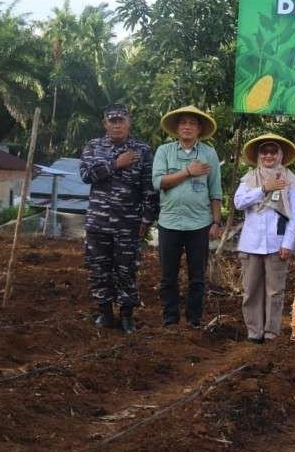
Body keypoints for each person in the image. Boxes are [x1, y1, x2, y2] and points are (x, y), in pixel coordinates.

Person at [79, 104, 158, 333]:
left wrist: (146, 220)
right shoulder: (93, 147)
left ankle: (126, 316)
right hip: (98, 222)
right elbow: (86, 175)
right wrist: (116, 164)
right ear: (105, 124)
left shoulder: (142, 150)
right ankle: (104, 313)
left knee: (127, 270)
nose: (117, 125)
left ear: (128, 122)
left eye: (120, 120)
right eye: (112, 121)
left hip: (128, 223)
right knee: (98, 268)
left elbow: (149, 188)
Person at [152, 106, 223, 328]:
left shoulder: (209, 154)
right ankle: (170, 319)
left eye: (192, 123)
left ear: (199, 129)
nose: (187, 127)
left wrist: (216, 222)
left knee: (197, 277)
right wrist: (188, 172)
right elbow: (158, 183)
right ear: (176, 128)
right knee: (168, 275)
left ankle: (194, 320)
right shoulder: (164, 151)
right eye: (183, 122)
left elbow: (215, 191)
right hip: (169, 222)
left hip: (199, 224)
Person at [234, 133, 295, 343]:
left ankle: (272, 333)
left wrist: (288, 242)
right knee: (251, 290)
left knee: (275, 291)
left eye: (273, 151)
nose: (269, 155)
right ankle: (254, 332)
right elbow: (238, 202)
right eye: (265, 151)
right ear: (258, 155)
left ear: (280, 155)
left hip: (277, 243)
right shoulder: (249, 178)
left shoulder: (290, 179)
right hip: (251, 243)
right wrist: (264, 189)